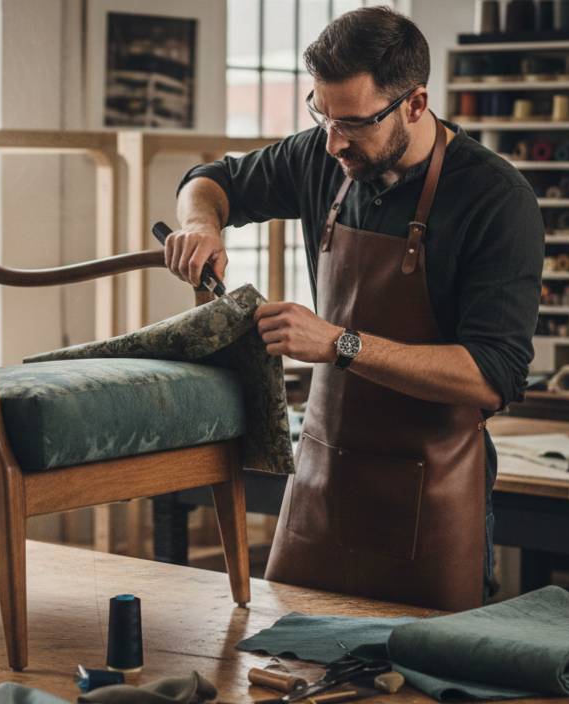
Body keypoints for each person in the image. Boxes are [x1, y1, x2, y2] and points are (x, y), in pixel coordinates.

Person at [166, 6, 543, 610]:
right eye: (321, 113)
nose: (333, 140)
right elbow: (213, 180)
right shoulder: (326, 156)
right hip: (324, 477)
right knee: (286, 661)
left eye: (354, 123)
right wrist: (199, 227)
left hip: (434, 491)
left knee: (425, 676)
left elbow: (491, 375)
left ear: (415, 104)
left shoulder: (495, 199)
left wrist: (340, 344)